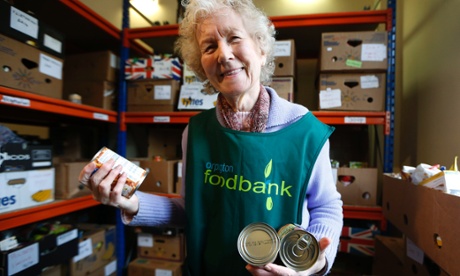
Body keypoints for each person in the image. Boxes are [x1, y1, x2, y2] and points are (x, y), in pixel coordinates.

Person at [79, 0, 343, 275]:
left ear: (261, 48)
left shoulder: (305, 131)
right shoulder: (196, 132)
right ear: (201, 66)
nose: (224, 54)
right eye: (209, 47)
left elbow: (326, 205)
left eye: (234, 38)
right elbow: (191, 207)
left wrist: (314, 262)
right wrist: (130, 201)